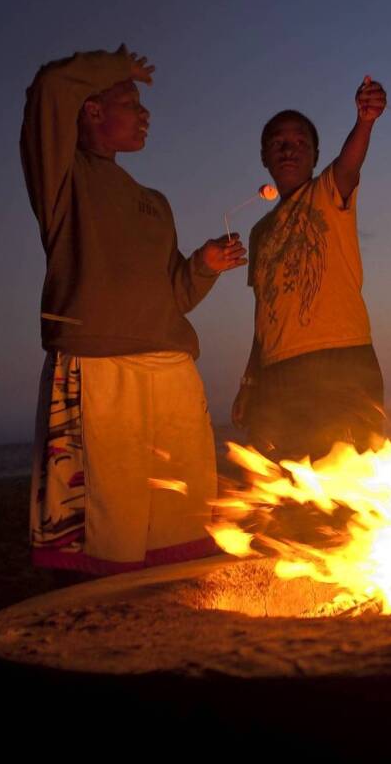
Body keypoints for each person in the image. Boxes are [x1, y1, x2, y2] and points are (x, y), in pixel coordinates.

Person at [21, 46, 246, 575]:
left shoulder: (155, 201)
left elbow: (176, 296)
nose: (145, 114)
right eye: (130, 102)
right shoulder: (62, 176)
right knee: (107, 521)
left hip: (171, 365)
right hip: (100, 364)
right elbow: (51, 88)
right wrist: (113, 66)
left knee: (179, 520)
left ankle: (171, 621)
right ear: (93, 111)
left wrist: (204, 265)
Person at [231, 77, 387, 461]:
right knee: (288, 491)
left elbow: (351, 163)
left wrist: (365, 121)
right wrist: (251, 379)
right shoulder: (259, 232)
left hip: (341, 364)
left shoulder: (328, 194)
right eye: (278, 144)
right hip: (277, 373)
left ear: (317, 156)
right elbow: (264, 312)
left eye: (301, 143)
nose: (289, 150)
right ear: (265, 156)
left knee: (349, 491)